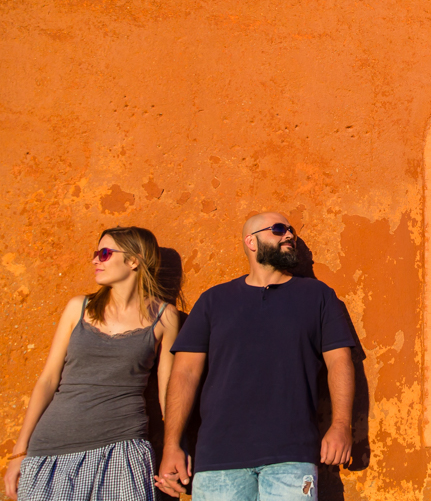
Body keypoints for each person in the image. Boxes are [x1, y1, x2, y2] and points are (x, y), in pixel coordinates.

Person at [155, 212, 355, 501]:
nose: (288, 235)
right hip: (218, 459)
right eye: (278, 229)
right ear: (251, 241)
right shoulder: (214, 300)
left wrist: (340, 426)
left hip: (291, 455)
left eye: (291, 231)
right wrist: (172, 444)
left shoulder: (318, 295)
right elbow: (184, 373)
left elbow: (340, 361)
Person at [3, 226, 181, 501]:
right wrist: (20, 452)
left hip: (122, 449)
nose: (95, 260)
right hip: (52, 449)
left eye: (105, 253)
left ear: (134, 260)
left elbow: (169, 392)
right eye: (96, 254)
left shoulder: (165, 318)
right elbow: (48, 380)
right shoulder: (79, 307)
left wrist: (174, 447)